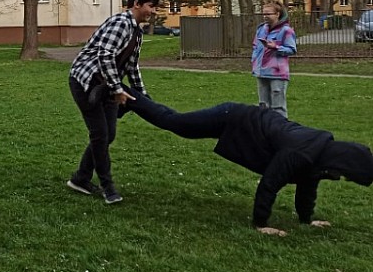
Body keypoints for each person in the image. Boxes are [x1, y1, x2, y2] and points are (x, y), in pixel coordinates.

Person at [120, 88, 373, 236]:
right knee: (177, 124)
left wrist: (307, 219)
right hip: (233, 118)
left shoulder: (320, 154)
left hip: (242, 123)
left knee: (177, 123)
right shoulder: (302, 152)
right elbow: (269, 183)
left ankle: (133, 100)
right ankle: (129, 95)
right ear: (343, 163)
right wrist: (261, 224)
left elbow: (308, 184)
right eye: (347, 175)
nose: (343, 179)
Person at [66, 0, 158, 204]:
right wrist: (118, 89)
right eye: (150, 6)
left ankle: (80, 178)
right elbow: (105, 56)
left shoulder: (137, 30)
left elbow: (132, 66)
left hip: (106, 85)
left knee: (109, 134)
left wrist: (143, 96)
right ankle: (108, 187)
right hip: (86, 83)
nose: (153, 11)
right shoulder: (120, 23)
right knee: (100, 134)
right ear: (136, 4)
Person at [251, 1, 297, 118]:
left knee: (278, 107)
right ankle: (264, 130)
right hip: (261, 71)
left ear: (277, 14)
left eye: (268, 13)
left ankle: (281, 131)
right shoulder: (261, 29)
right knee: (263, 105)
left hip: (277, 73)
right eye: (264, 14)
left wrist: (275, 47)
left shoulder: (286, 30)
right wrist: (254, 61)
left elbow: (292, 49)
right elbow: (255, 46)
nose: (265, 16)